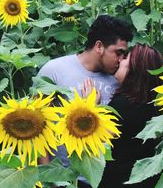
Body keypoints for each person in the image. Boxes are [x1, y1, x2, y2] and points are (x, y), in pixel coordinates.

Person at [36, 14, 133, 188]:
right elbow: (38, 125)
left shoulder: (116, 82)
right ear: (99, 46)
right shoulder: (55, 70)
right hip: (59, 177)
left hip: (101, 179)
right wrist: (44, 173)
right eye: (118, 52)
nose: (120, 60)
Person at [97, 43, 163, 188]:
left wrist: (91, 107)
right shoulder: (158, 106)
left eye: (126, 57)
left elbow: (97, 140)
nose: (120, 60)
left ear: (135, 66)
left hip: (118, 181)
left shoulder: (122, 106)